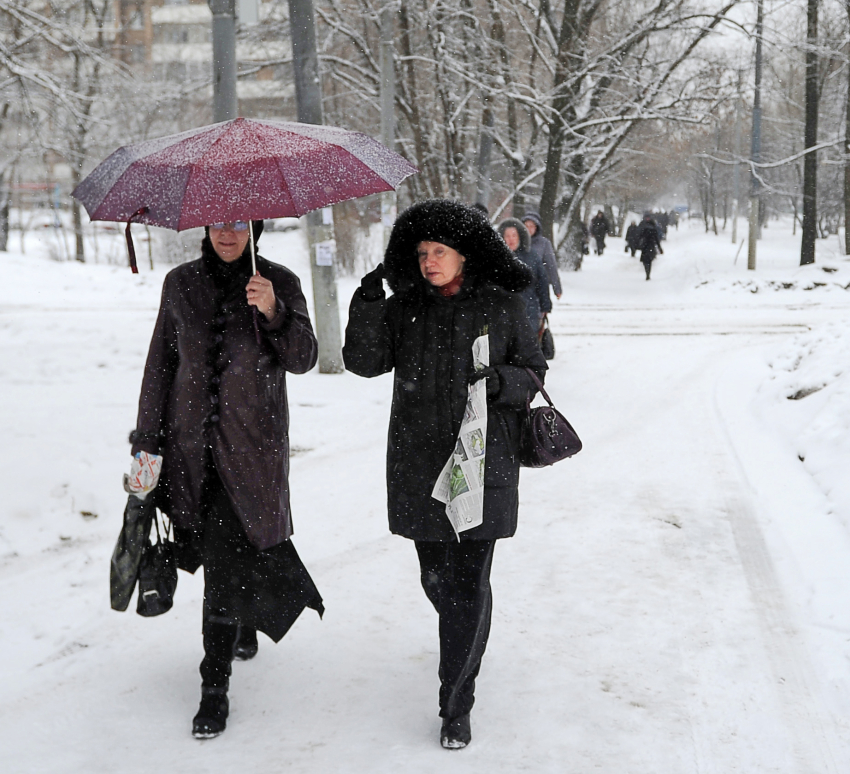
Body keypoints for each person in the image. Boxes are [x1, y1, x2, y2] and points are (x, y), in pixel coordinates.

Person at [343, 199, 547, 750]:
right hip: (419, 464)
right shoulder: (406, 308)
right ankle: (469, 629)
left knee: (466, 584)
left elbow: (534, 370)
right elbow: (363, 362)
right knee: (438, 581)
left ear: (464, 254)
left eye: (440, 251)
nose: (429, 262)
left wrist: (503, 382)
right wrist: (369, 302)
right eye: (422, 253)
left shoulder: (503, 305)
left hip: (484, 463)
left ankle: (456, 703)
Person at [127, 219, 323, 740]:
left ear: (254, 228)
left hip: (252, 454)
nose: (227, 235)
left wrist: (274, 312)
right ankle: (241, 622)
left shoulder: (278, 281)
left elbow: (304, 357)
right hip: (191, 454)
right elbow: (160, 367)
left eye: (238, 225)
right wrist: (147, 444)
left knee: (227, 562)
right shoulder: (180, 284)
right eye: (218, 225)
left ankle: (213, 687)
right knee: (220, 555)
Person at [498, 216, 551, 340]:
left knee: (527, 343)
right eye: (507, 236)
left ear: (520, 237)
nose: (511, 239)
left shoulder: (532, 256)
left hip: (528, 309)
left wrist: (545, 306)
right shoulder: (496, 258)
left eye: (514, 235)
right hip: (502, 312)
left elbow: (542, 282)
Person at [520, 212, 561, 301]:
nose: (528, 229)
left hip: (538, 286)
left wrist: (557, 288)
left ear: (536, 227)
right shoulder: (515, 242)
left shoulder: (544, 244)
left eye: (532, 226)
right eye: (526, 226)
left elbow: (551, 266)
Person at [637, 214, 664, 280]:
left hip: (646, 246)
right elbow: (656, 239)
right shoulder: (651, 227)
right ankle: (648, 273)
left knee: (646, 261)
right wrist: (659, 247)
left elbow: (639, 236)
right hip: (649, 246)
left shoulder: (645, 226)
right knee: (648, 261)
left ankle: (647, 272)